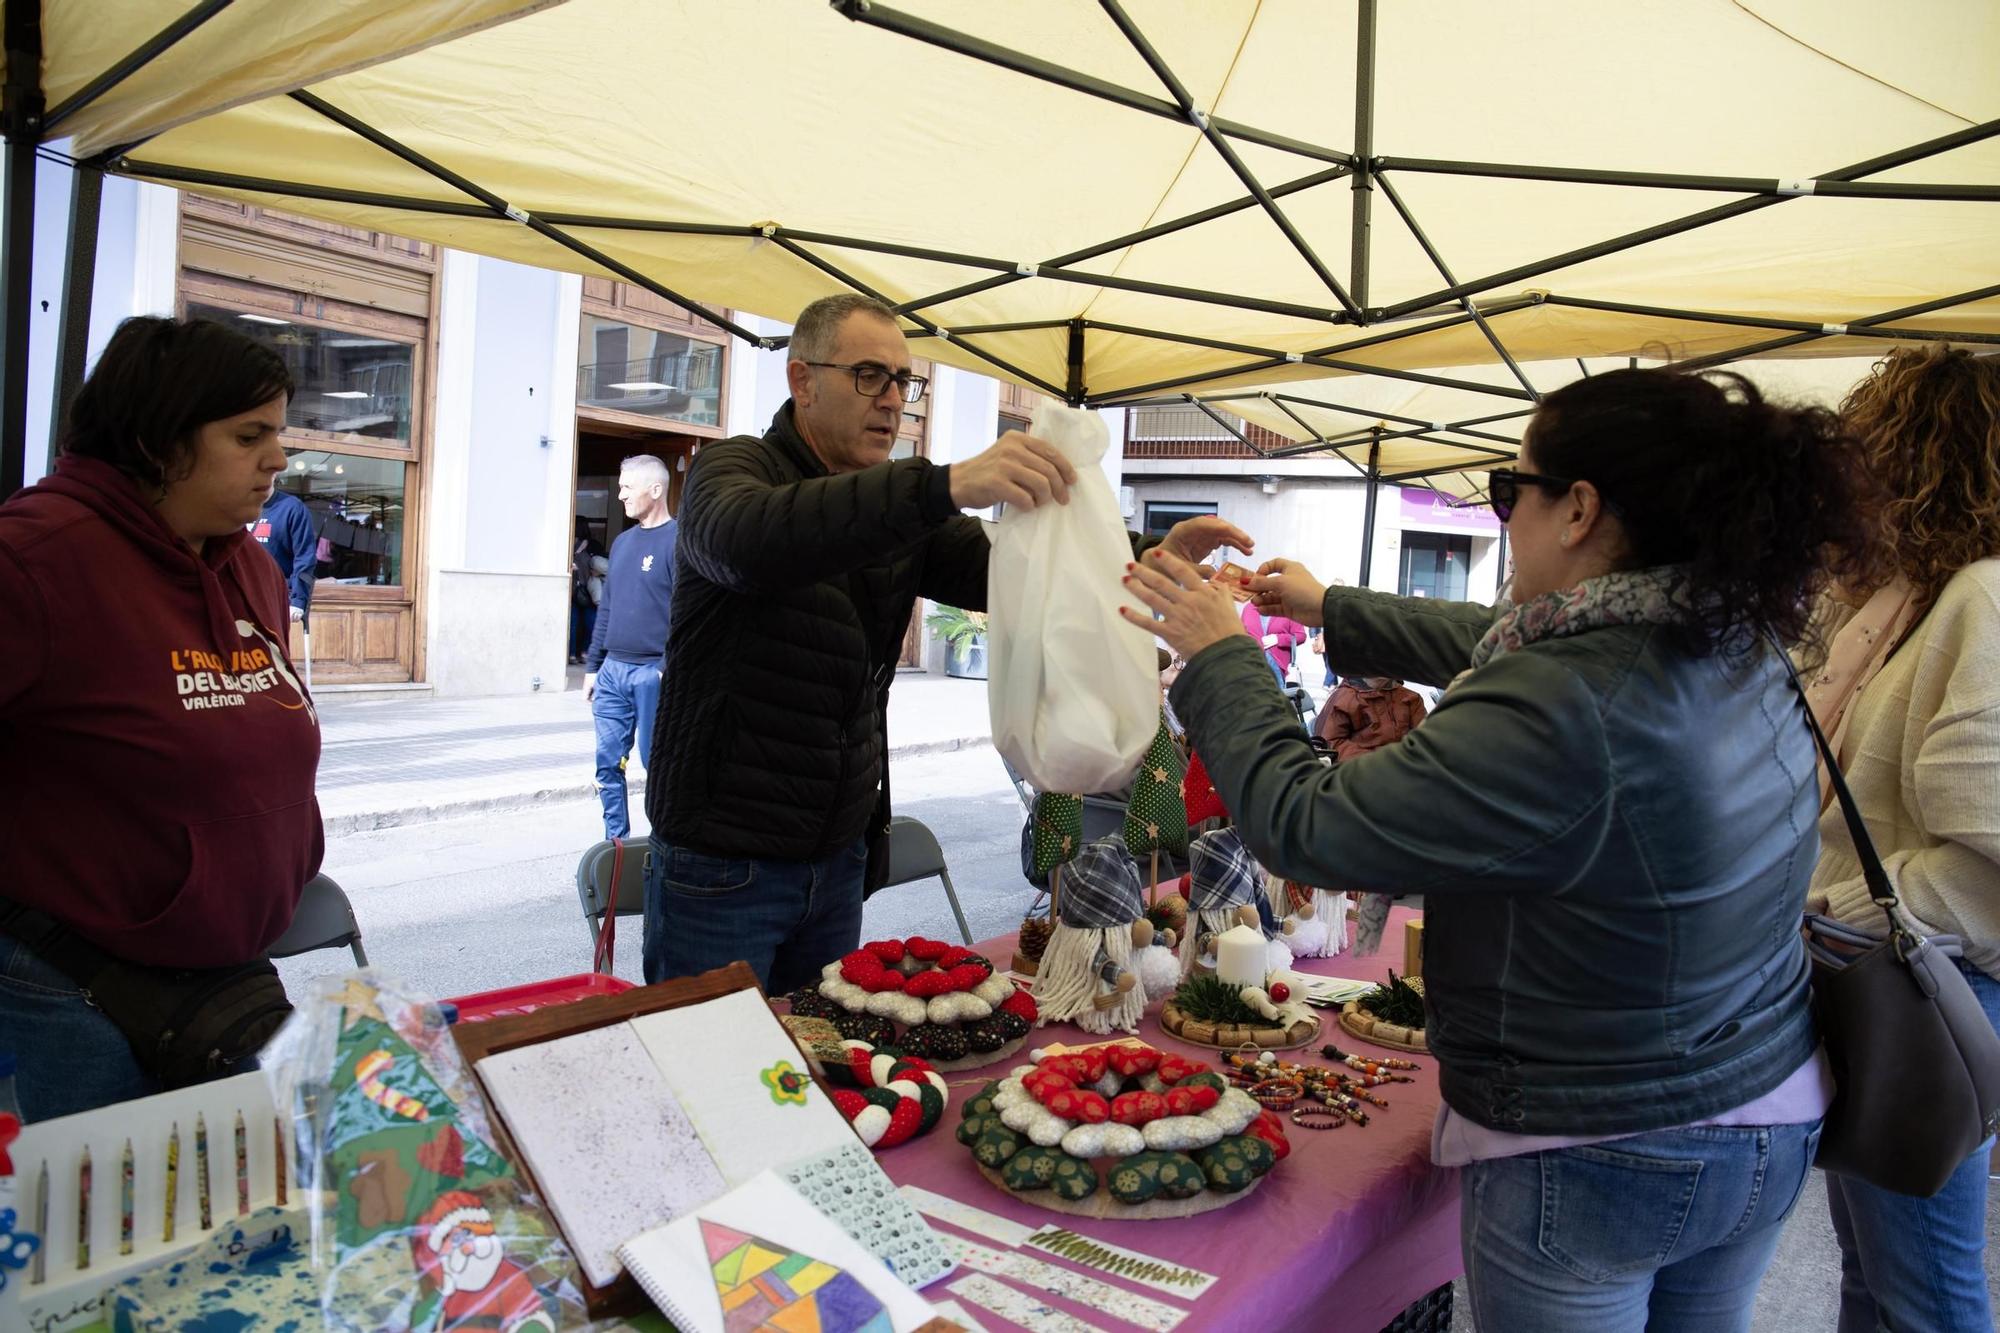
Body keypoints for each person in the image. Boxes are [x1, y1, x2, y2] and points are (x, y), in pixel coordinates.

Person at [1122, 366, 1881, 1332]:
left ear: (1579, 510)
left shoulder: (1569, 694)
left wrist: (1222, 655)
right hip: (1765, 1102)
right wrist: (1330, 609)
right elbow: (1500, 642)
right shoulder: (1734, 638)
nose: (1503, 515)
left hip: (1605, 1142)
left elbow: (1305, 824)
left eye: (1507, 490)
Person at [645, 293, 1247, 992]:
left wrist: (1153, 556)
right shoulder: (732, 472)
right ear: (802, 380)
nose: (893, 399)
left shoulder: (898, 515)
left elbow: (1029, 573)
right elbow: (752, 540)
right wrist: (946, 483)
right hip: (724, 867)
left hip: (836, 863)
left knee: (809, 1076)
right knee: (710, 1080)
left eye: (904, 380)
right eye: (870, 375)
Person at [0, 316, 323, 1121]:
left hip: (225, 972)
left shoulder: (248, 564)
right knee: (112, 1229)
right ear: (157, 438)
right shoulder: (35, 559)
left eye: (278, 433)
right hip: (74, 977)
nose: (278, 459)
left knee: (235, 1211)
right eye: (249, 435)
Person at [1803, 345, 2000, 1333]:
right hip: (1880, 977)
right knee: (1876, 1276)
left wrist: (1825, 908)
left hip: (1924, 986)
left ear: (1918, 458)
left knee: (1922, 1290)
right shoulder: (1908, 601)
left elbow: (1982, 868)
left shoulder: (1979, 600)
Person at [584, 455, 678, 841]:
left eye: (626, 486)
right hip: (612, 672)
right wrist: (593, 667)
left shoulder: (680, 542)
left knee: (656, 765)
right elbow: (607, 607)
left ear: (654, 491)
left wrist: (664, 667)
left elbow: (688, 615)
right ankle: (616, 845)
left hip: (651, 674)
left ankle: (665, 845)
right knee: (607, 764)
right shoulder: (622, 543)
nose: (620, 493)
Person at [1311, 674, 1426, 762]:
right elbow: (1329, 746)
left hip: (1405, 771)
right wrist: (1378, 762)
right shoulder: (1344, 699)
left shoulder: (1410, 698)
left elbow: (1424, 740)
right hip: (1360, 774)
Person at [251, 484, 316, 623]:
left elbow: (305, 558)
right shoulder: (235, 506)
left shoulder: (292, 508)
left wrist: (298, 600)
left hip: (274, 599)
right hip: (238, 597)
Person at [1240, 599, 1308, 688]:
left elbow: (1301, 636)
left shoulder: (1288, 608)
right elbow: (1240, 633)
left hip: (1277, 667)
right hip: (1251, 663)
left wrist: (1278, 639)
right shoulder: (1249, 608)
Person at [567, 518, 604, 664]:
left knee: (579, 624)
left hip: (581, 590)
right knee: (585, 624)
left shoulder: (587, 545)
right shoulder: (590, 545)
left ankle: (577, 653)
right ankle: (580, 653)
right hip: (584, 591)